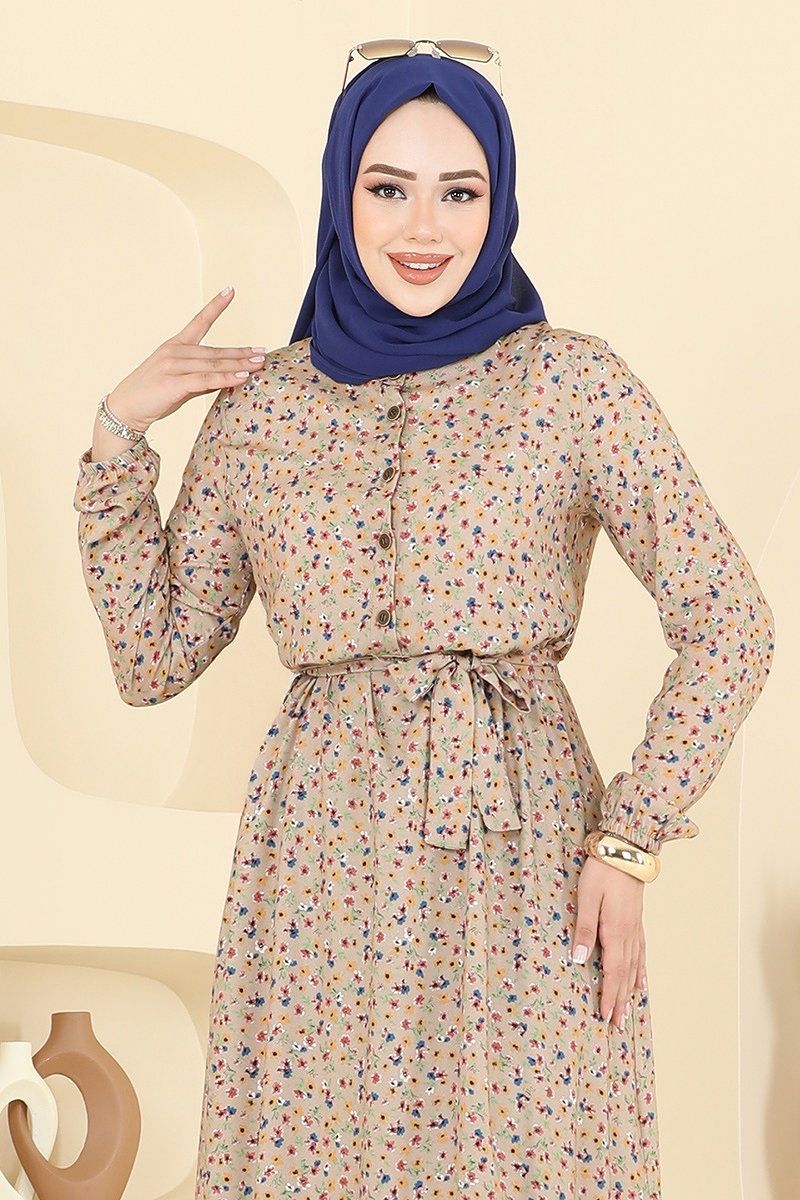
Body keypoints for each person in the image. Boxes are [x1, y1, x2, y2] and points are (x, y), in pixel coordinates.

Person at [73, 45, 775, 1200]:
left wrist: (628, 837)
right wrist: (118, 435)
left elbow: (728, 623)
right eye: (387, 186)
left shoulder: (570, 384)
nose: (421, 228)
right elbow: (152, 659)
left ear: (497, 204)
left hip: (520, 842)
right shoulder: (263, 409)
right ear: (341, 192)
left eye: (459, 192)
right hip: (320, 854)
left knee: (529, 1154)